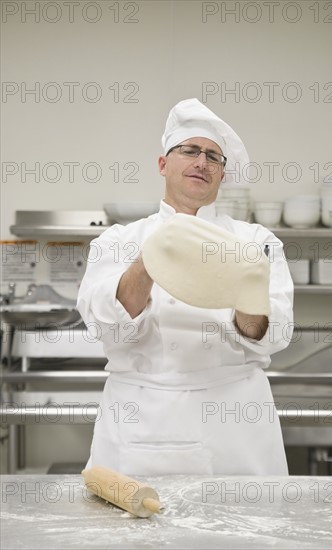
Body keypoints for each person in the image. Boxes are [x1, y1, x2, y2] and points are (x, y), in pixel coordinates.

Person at [77, 98, 294, 476]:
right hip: (139, 420)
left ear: (222, 175)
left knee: (243, 530)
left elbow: (271, 334)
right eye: (190, 150)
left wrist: (246, 283)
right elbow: (104, 324)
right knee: (130, 529)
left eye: (214, 157)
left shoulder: (256, 241)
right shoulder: (118, 240)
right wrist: (151, 257)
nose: (202, 162)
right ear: (163, 163)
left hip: (234, 424)